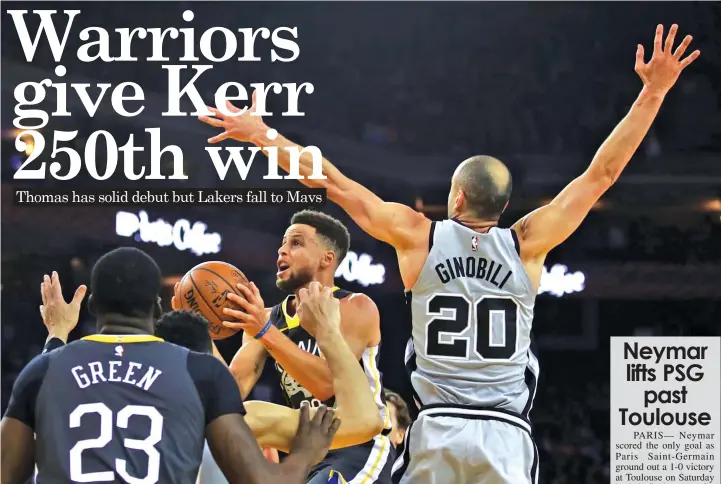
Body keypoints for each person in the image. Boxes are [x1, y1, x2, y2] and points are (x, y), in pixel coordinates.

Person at [199, 24, 700, 483]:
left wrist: (261, 135)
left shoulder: (420, 236)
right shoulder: (527, 243)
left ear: (456, 197)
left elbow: (332, 182)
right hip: (505, 434)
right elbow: (601, 175)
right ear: (503, 207)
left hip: (437, 428)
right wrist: (653, 91)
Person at [1, 247, 340, 484]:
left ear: (91, 305)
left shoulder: (42, 372)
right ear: (157, 306)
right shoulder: (201, 373)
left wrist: (58, 334)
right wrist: (306, 453)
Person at [193, 210, 395, 483]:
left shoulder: (355, 307)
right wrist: (201, 333)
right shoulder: (266, 318)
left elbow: (325, 384)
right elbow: (230, 393)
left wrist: (265, 332)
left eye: (296, 243)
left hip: (358, 444)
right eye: (283, 243)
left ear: (327, 259)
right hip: (306, 447)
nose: (282, 251)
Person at [153, 296, 385, 483]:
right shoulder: (243, 421)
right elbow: (367, 421)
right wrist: (328, 332)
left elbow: (226, 387)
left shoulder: (124, 401)